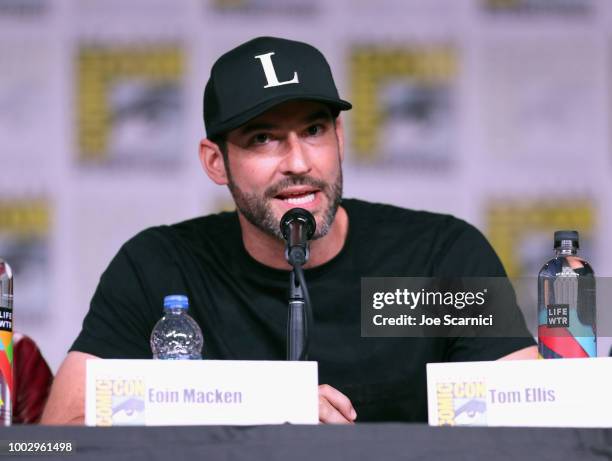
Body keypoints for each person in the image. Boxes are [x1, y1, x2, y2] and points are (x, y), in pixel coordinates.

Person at [41, 36, 536, 425]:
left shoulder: (440, 261)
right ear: (217, 162)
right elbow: (59, 440)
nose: (298, 162)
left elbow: (531, 423)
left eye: (314, 130)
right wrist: (251, 414)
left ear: (339, 138)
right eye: (263, 139)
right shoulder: (159, 267)